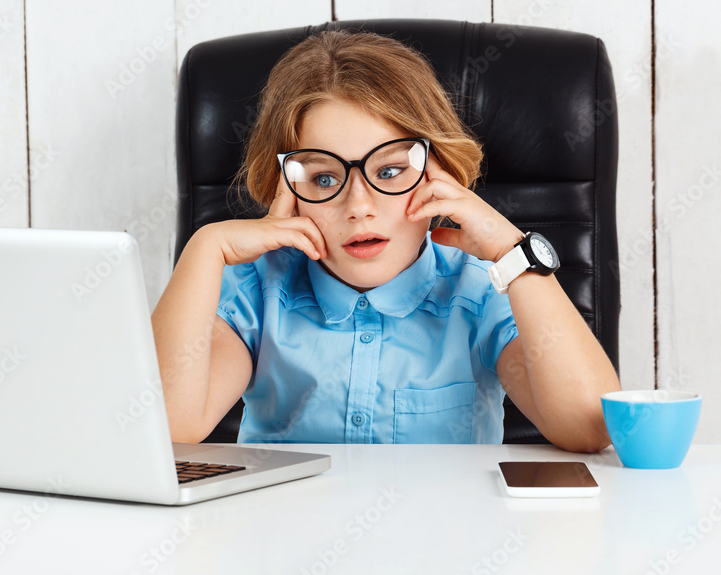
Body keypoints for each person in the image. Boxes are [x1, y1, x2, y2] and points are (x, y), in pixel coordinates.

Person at [151, 29, 620, 452]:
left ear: (441, 175)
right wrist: (206, 247)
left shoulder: (480, 291)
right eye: (323, 178)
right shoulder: (257, 291)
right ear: (286, 192)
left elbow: (590, 426)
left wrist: (511, 250)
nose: (358, 206)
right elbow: (167, 427)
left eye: (390, 170)